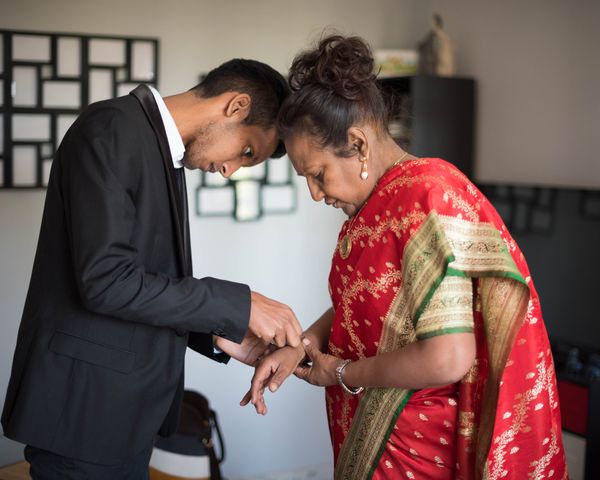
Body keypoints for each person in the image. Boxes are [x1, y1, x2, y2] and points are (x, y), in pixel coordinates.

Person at [244, 36, 567, 479]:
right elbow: (361, 309)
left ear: (358, 145)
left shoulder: (429, 196)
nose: (315, 194)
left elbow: (448, 357)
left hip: (416, 447)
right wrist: (302, 347)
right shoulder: (377, 205)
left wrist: (340, 372)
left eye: (318, 175)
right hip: (369, 430)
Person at [1, 59, 302, 479]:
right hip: (84, 417)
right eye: (246, 150)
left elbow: (144, 286)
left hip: (122, 416)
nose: (230, 169)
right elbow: (106, 281)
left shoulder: (164, 153)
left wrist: (218, 332)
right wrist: (240, 304)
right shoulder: (112, 128)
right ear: (235, 106)